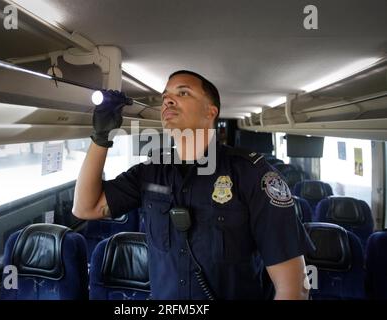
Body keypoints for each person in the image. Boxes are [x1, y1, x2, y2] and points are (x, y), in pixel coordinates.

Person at [73, 70, 309, 300]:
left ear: (210, 111)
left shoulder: (253, 173)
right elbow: (85, 208)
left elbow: (295, 288)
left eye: (183, 93)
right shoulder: (150, 171)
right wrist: (101, 137)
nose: (168, 101)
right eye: (165, 97)